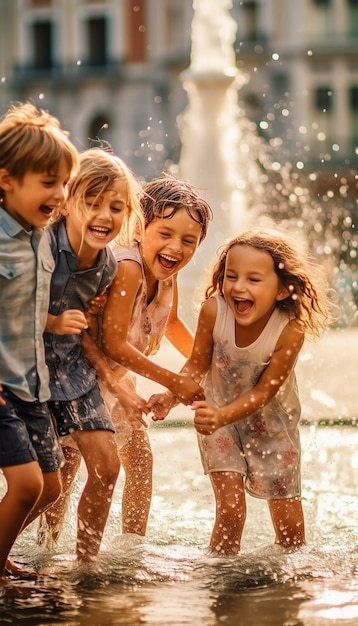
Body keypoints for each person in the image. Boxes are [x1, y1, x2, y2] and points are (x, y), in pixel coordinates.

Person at [42, 175, 212, 543]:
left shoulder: (166, 274)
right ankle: (49, 546)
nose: (176, 248)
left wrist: (209, 359)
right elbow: (115, 344)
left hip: (115, 379)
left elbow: (174, 324)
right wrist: (173, 380)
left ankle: (131, 545)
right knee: (67, 467)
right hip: (78, 376)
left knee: (138, 461)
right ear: (140, 226)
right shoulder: (129, 267)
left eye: (189, 241)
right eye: (165, 233)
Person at [150, 229, 337, 554]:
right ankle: (221, 583)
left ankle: (284, 592)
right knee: (231, 511)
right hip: (219, 424)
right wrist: (169, 395)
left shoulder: (289, 330)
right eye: (231, 276)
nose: (238, 287)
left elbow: (265, 391)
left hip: (272, 429)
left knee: (291, 530)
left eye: (253, 279)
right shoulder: (214, 311)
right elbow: (196, 365)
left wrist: (220, 413)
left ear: (282, 290)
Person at [37, 147, 149, 561]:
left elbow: (88, 332)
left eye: (116, 207)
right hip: (26, 371)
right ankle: (14, 551)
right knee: (41, 484)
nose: (105, 215)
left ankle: (86, 565)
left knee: (107, 468)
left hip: (72, 372)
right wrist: (51, 320)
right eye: (93, 202)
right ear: (66, 202)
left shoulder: (107, 266)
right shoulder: (40, 247)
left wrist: (117, 382)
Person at [0, 101, 78, 587]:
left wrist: (51, 321)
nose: (60, 194)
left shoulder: (43, 236)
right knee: (27, 484)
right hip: (1, 387)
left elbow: (23, 301)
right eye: (48, 182)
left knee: (50, 488)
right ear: (7, 180)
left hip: (33, 385)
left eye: (64, 183)